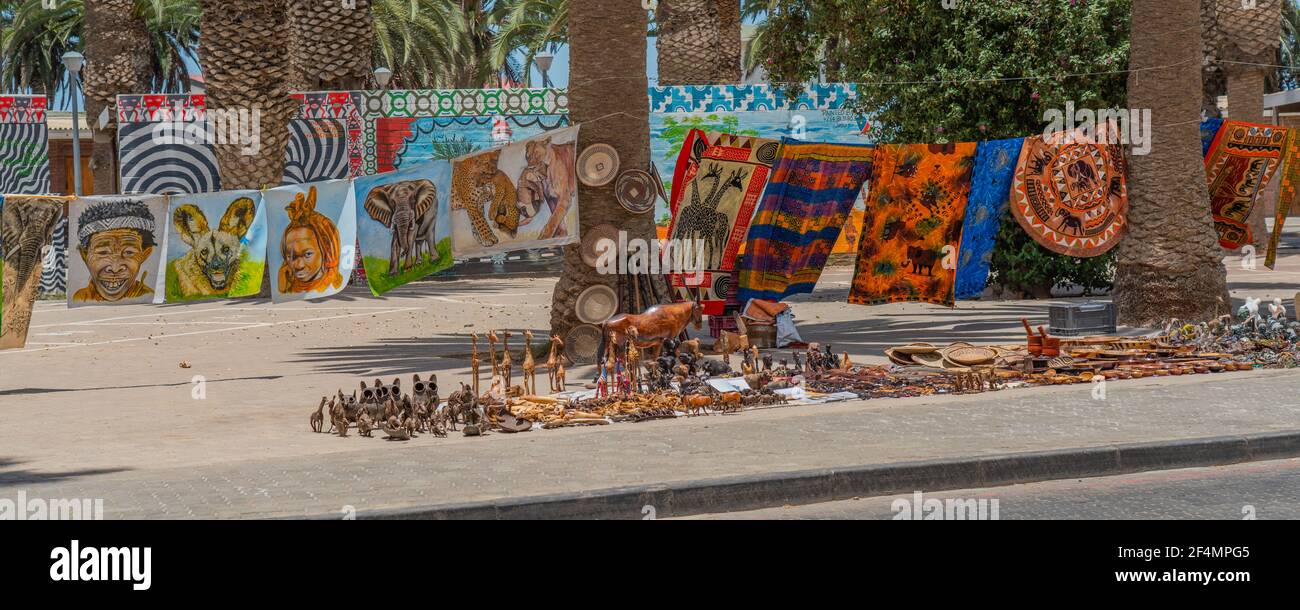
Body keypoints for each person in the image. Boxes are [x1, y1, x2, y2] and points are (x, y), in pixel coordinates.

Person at [73, 198, 157, 303]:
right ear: (85, 255)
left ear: (144, 255)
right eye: (103, 252)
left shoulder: (149, 296)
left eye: (129, 252)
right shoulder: (79, 298)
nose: (115, 268)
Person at [278, 186, 343, 294]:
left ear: (326, 249)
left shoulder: (330, 287)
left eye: (307, 254)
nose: (298, 265)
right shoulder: (287, 288)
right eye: (291, 256)